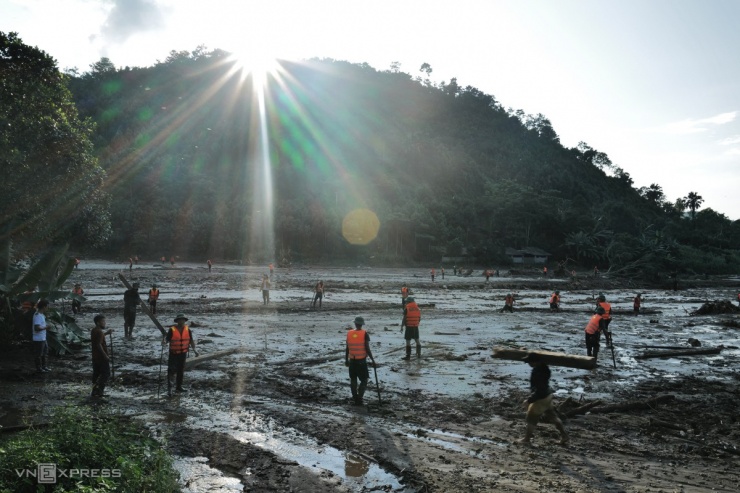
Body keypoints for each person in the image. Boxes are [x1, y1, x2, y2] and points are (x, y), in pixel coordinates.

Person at [518, 353, 568, 446]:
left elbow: (539, 390)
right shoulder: (545, 368)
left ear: (535, 361)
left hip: (541, 398)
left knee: (531, 417)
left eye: (530, 361)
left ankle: (526, 439)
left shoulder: (538, 372)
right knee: (553, 416)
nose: (528, 363)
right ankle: (564, 435)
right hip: (548, 395)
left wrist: (529, 400)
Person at [163, 314, 198, 395]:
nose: (181, 321)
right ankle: (170, 388)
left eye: (182, 320)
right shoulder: (172, 329)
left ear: (185, 321)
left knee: (180, 370)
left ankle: (179, 386)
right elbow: (167, 339)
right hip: (173, 353)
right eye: (179, 320)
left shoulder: (187, 329)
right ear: (177, 321)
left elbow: (191, 341)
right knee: (171, 370)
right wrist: (164, 342)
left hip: (183, 353)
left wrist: (195, 350)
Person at [345, 316, 374, 406]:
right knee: (364, 380)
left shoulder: (349, 333)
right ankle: (359, 398)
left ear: (355, 323)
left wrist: (346, 360)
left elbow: (347, 348)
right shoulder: (364, 333)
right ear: (361, 324)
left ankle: (355, 397)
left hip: (352, 361)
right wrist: (372, 359)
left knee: (353, 379)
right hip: (361, 361)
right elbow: (367, 348)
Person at [91, 314, 112, 398]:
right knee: (106, 374)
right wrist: (105, 356)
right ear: (98, 323)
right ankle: (100, 391)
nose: (104, 323)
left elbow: (98, 340)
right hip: (101, 357)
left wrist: (106, 333)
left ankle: (94, 391)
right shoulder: (99, 331)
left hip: (95, 357)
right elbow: (99, 344)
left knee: (96, 374)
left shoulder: (94, 330)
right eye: (103, 321)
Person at [32, 299, 52, 373]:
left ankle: (44, 367)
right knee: (39, 354)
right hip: (38, 338)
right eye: (47, 306)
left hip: (42, 337)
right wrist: (46, 327)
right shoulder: (37, 316)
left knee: (44, 353)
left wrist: (45, 327)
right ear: (44, 307)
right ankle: (39, 368)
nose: (47, 308)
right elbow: (36, 328)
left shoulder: (41, 315)